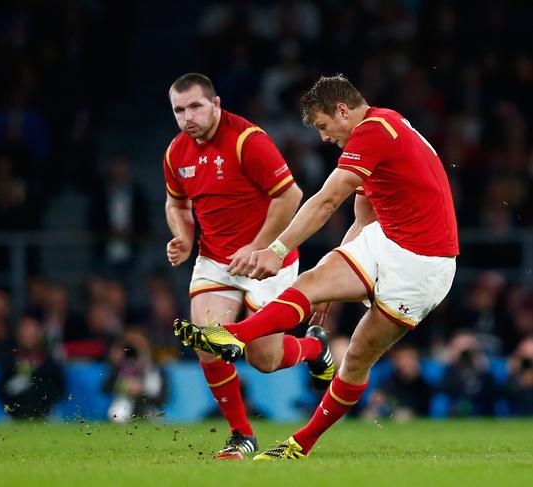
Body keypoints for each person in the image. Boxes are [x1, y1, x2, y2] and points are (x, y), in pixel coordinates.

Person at [175, 74, 458, 459]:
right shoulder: (383, 127)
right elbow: (362, 218)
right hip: (387, 238)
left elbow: (327, 200)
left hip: (424, 263)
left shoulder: (374, 131)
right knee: (311, 282)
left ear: (343, 110)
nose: (324, 137)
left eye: (324, 126)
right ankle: (236, 336)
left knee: (357, 356)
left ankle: (300, 443)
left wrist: (277, 249)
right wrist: (336, 273)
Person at [164, 73, 333, 459]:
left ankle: (313, 348)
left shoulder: (247, 141)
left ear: (216, 104)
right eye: (179, 109)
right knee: (207, 342)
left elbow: (290, 195)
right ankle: (241, 435)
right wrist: (185, 236)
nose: (187, 116)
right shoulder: (176, 153)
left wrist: (259, 247)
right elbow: (176, 204)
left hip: (268, 259)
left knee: (264, 360)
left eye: (195, 106)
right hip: (215, 260)